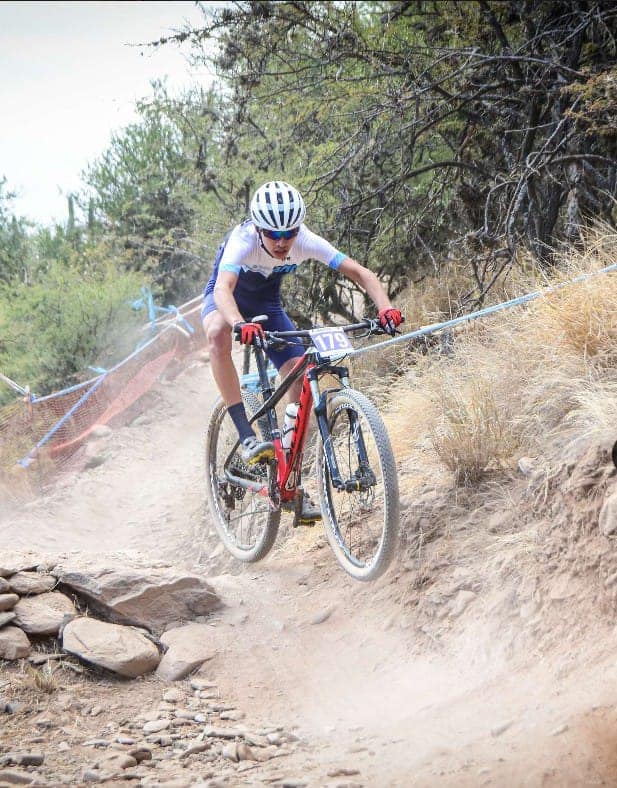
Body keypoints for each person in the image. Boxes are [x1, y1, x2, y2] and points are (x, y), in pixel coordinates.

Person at [202, 180, 403, 521]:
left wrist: (385, 308)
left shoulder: (306, 240)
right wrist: (238, 323)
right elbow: (223, 289)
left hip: (268, 305)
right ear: (258, 228)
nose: (281, 242)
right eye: (273, 235)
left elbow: (360, 272)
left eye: (289, 234)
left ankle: (289, 478)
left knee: (300, 381)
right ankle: (246, 434)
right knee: (218, 335)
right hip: (228, 302)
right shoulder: (244, 239)